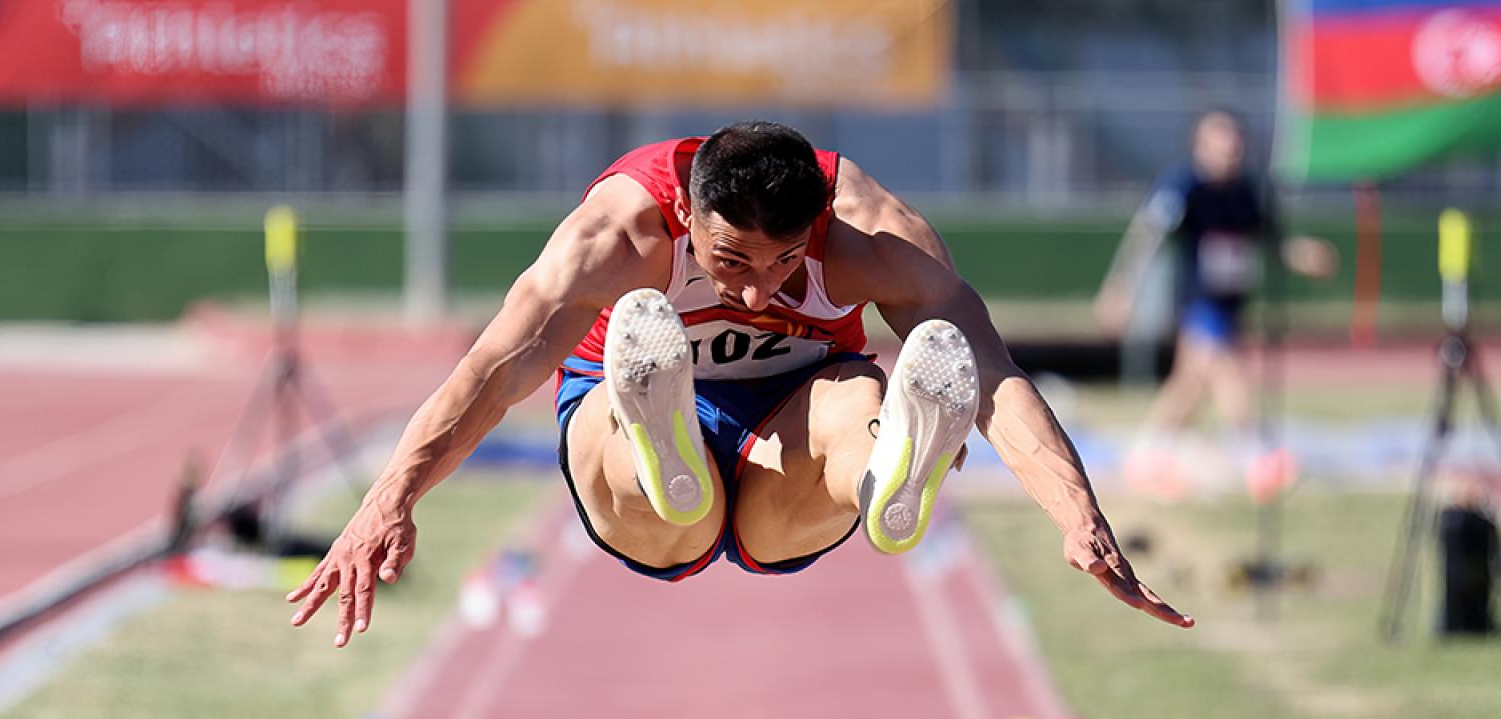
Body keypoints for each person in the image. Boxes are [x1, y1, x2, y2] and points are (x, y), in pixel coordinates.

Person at [288, 121, 1191, 645]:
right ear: (688, 215)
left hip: (790, 429)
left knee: (860, 402)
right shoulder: (618, 235)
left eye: (785, 262)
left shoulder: (869, 235)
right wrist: (389, 496)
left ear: (819, 224)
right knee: (633, 445)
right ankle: (659, 439)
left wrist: (1080, 517)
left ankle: (888, 478)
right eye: (730, 260)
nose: (759, 290)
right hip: (627, 423)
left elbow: (991, 378)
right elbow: (495, 371)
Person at [1095, 109, 1337, 502]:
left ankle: (1146, 458)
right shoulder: (1184, 187)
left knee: (1188, 385)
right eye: (1219, 148)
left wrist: (1302, 255)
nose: (1228, 157)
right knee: (1226, 373)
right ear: (1200, 147)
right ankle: (1261, 458)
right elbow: (1146, 236)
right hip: (1199, 302)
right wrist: (1120, 288)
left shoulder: (1247, 192)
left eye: (1234, 148)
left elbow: (1270, 241)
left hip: (1230, 305)